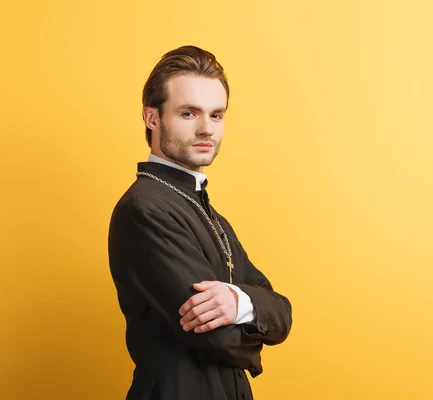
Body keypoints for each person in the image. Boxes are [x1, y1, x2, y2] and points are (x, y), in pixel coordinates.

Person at [108, 45, 293, 400]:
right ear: (152, 117)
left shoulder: (208, 211)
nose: (207, 129)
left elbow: (282, 311)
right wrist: (257, 330)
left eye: (217, 115)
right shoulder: (145, 209)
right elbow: (217, 338)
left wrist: (239, 303)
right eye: (189, 113)